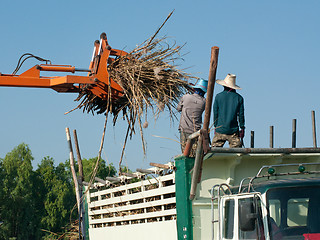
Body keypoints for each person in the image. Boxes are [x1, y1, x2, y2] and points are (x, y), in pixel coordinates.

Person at [212, 73, 245, 148]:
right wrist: (242, 127)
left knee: (214, 153)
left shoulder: (218, 96)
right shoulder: (239, 98)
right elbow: (241, 115)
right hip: (233, 131)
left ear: (224, 85)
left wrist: (215, 126)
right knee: (237, 154)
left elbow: (215, 113)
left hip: (220, 130)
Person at [177, 79, 207, 156]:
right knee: (194, 154)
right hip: (195, 131)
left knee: (185, 153)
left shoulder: (185, 97)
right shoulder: (204, 102)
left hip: (184, 129)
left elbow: (178, 109)